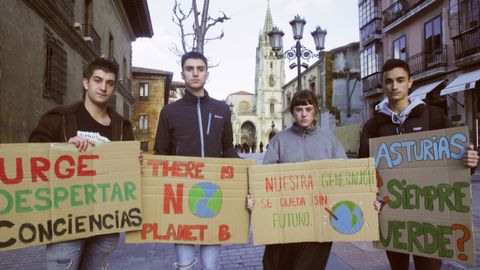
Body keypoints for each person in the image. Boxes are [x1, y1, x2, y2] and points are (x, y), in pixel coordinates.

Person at [358, 58, 479, 270]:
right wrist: (370, 198)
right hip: (391, 213)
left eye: (400, 80)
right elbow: (363, 170)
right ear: (383, 85)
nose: (394, 86)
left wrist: (471, 161)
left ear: (410, 82)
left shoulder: (434, 116)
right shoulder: (373, 126)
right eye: (388, 81)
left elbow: (459, 161)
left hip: (431, 215)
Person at [29, 58, 134, 270]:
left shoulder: (122, 127)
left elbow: (128, 170)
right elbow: (31, 156)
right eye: (98, 80)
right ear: (86, 83)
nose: (103, 87)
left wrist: (134, 161)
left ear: (114, 88)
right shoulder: (58, 118)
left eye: (109, 83)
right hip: (66, 223)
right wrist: (62, 149)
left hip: (106, 223)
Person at [154, 51, 239, 270]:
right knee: (185, 266)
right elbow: (161, 154)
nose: (195, 73)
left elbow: (228, 148)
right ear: (183, 73)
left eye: (200, 69)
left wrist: (247, 178)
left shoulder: (221, 109)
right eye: (190, 69)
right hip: (180, 197)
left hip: (213, 195)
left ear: (207, 74)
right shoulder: (169, 112)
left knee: (210, 267)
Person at [247, 89, 348, 270]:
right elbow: (265, 177)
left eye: (308, 109)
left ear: (315, 110)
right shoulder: (279, 140)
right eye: (299, 109)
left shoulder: (329, 140)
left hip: (319, 221)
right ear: (292, 112)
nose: (303, 114)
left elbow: (345, 175)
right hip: (285, 220)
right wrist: (254, 197)